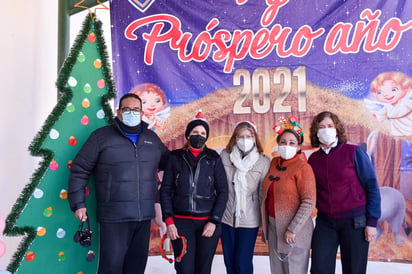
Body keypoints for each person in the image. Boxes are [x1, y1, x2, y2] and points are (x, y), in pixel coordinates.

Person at [68, 93, 169, 274]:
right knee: (111, 268)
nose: (132, 113)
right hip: (114, 217)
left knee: (136, 268)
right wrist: (78, 204)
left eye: (136, 109)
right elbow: (80, 169)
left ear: (141, 113)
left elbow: (170, 165)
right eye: (127, 109)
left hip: (143, 217)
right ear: (119, 112)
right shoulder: (101, 138)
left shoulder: (152, 139)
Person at [308, 111, 381, 274]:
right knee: (319, 268)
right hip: (325, 222)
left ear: (337, 129)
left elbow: (372, 186)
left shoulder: (354, 152)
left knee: (354, 269)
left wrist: (372, 222)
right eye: (321, 127)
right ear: (316, 132)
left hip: (355, 222)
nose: (326, 130)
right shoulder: (313, 159)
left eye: (329, 126)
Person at [160, 111, 228, 274]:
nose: (199, 136)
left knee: (203, 270)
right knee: (184, 269)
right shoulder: (175, 157)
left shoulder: (214, 158)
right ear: (188, 135)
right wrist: (169, 221)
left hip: (208, 224)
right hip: (180, 224)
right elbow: (166, 190)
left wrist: (214, 220)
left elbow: (223, 191)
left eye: (203, 133)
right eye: (195, 132)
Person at [260, 116, 316, 274]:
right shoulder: (274, 163)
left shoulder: (303, 168)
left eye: (292, 143)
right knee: (277, 270)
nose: (287, 146)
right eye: (283, 142)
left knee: (294, 270)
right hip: (273, 227)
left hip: (295, 230)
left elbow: (309, 201)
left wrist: (293, 229)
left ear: (299, 146)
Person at [219, 121, 270, 274]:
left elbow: (262, 194)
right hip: (226, 218)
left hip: (249, 220)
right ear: (234, 139)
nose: (244, 139)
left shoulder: (263, 161)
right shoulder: (225, 156)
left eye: (248, 136)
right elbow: (219, 186)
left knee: (243, 261)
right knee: (229, 262)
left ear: (254, 138)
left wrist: (264, 223)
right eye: (240, 136)